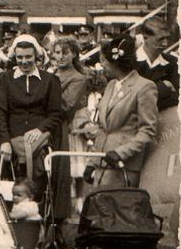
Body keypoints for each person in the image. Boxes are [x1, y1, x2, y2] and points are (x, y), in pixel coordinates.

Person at [84, 35, 158, 187]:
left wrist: (121, 153)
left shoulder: (144, 87)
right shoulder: (111, 85)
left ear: (115, 62)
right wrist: (92, 161)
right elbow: (103, 129)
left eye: (104, 60)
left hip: (123, 166)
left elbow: (148, 131)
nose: (101, 64)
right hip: (102, 164)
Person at [0, 35, 63, 193]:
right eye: (20, 57)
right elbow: (0, 112)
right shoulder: (5, 78)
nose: (24, 61)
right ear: (14, 57)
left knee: (39, 184)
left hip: (40, 142)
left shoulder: (50, 80)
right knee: (8, 186)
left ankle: (38, 210)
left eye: (28, 57)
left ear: (36, 56)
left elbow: (55, 113)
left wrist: (40, 129)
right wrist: (4, 141)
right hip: (11, 140)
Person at [49, 37, 88, 219]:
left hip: (70, 125)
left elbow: (66, 105)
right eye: (57, 53)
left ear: (74, 54)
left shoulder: (78, 78)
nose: (61, 57)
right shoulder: (50, 73)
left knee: (74, 165)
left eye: (65, 53)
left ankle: (77, 201)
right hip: (54, 125)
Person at [137, 17, 178, 110]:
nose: (165, 44)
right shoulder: (128, 62)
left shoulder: (172, 62)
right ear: (145, 37)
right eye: (160, 39)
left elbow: (177, 98)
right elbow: (127, 100)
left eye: (167, 38)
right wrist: (164, 87)